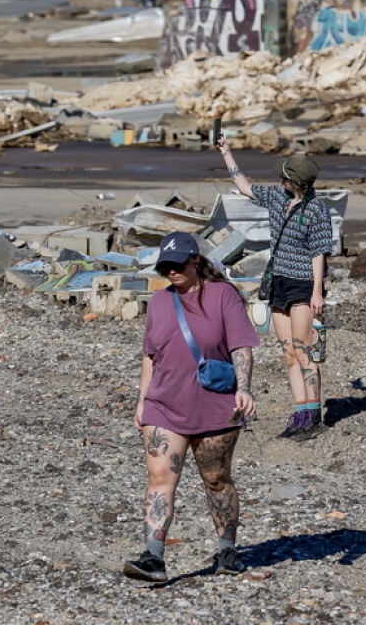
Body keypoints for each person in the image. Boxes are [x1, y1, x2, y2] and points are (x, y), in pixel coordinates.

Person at [124, 231, 259, 582]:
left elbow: (241, 348)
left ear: (196, 260)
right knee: (160, 478)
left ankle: (227, 548)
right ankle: (153, 558)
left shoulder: (223, 296)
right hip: (163, 405)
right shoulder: (158, 302)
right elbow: (150, 356)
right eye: (165, 266)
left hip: (216, 406)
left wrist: (243, 389)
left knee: (216, 479)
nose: (172, 272)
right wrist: (142, 402)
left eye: (178, 264)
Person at [215, 137, 335, 441]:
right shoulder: (278, 198)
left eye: (283, 175)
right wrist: (227, 154)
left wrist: (317, 292)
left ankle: (313, 415)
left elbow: (319, 252)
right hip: (278, 282)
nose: (278, 178)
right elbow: (245, 187)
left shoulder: (317, 211)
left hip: (304, 285)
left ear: (294, 181)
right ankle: (299, 413)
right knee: (289, 354)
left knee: (304, 351)